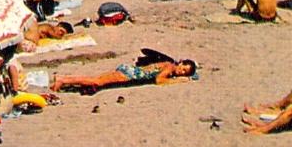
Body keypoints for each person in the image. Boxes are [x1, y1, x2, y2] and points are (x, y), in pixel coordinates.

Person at [51, 52, 197, 94]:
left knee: (98, 81)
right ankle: (63, 80)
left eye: (184, 73)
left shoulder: (169, 64)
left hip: (129, 71)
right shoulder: (169, 67)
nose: (181, 72)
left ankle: (64, 80)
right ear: (181, 62)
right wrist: (179, 81)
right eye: (183, 68)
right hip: (130, 74)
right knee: (97, 81)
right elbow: (159, 80)